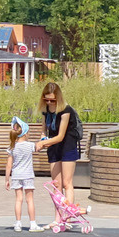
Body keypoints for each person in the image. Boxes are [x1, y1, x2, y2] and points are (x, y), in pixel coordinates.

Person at [36, 82, 83, 218]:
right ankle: (58, 218)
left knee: (67, 182)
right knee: (57, 185)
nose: (50, 102)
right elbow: (44, 130)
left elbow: (60, 136)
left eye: (53, 100)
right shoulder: (45, 110)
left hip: (67, 145)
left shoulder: (65, 110)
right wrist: (43, 138)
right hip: (54, 146)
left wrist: (41, 144)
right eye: (47, 99)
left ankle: (67, 216)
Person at [5, 116, 40, 231]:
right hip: (28, 175)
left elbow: (9, 165)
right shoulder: (30, 146)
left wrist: (6, 180)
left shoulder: (12, 147)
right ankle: (33, 224)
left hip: (16, 176)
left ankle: (18, 223)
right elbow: (40, 146)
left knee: (18, 200)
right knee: (29, 200)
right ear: (25, 133)